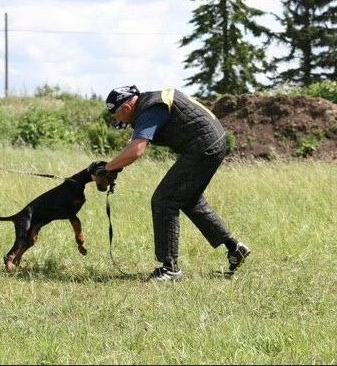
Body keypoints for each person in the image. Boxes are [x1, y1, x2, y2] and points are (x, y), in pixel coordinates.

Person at [101, 85, 250, 281]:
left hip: (204, 146)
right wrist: (113, 166)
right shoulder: (150, 103)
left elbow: (136, 150)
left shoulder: (150, 109)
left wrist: (107, 169)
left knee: (164, 200)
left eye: (116, 115)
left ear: (126, 108)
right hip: (210, 142)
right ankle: (234, 248)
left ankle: (170, 268)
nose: (117, 120)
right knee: (189, 200)